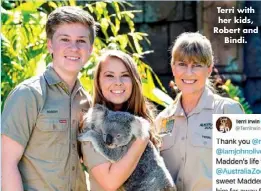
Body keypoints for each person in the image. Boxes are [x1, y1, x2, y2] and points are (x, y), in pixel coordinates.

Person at [1, 6, 96, 191]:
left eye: (81, 40)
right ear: (50, 45)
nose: (74, 48)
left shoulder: (87, 102)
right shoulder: (28, 95)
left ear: (90, 48)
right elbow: (5, 164)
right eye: (65, 39)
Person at [155, 32, 244, 191]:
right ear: (173, 67)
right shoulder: (161, 120)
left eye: (196, 65)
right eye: (182, 64)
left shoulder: (228, 111)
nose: (188, 72)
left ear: (209, 69)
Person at [80, 50, 160, 191]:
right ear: (98, 81)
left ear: (134, 80)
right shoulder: (93, 125)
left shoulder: (145, 119)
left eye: (125, 75)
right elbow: (110, 182)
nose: (118, 83)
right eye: (109, 75)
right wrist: (141, 140)